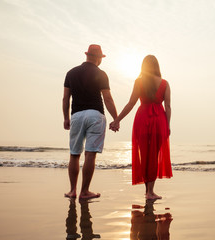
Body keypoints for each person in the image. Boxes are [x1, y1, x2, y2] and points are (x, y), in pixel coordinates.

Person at [110, 55, 172, 200]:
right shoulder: (165, 83)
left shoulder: (139, 82)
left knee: (144, 155)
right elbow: (168, 106)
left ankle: (147, 192)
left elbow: (131, 103)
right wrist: (168, 125)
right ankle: (150, 191)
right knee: (154, 156)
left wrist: (117, 120)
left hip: (142, 119)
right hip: (159, 121)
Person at [62, 44, 117, 199]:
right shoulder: (101, 74)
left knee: (74, 154)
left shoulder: (71, 73)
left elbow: (66, 98)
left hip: (77, 115)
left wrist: (66, 118)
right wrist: (116, 118)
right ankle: (84, 191)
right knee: (90, 155)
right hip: (95, 115)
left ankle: (72, 191)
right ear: (98, 58)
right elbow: (108, 98)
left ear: (87, 55)